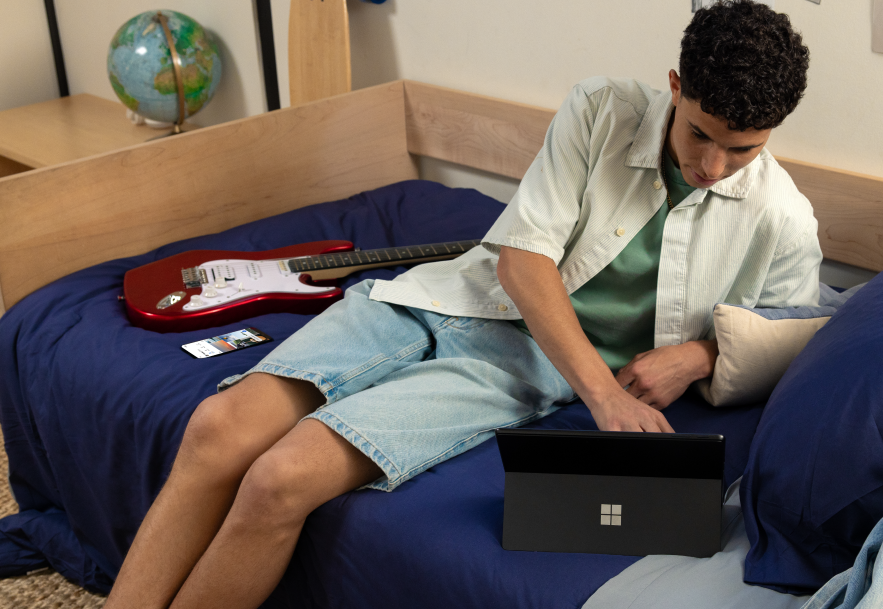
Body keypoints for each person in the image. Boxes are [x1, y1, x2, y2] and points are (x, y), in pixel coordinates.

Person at [104, 2, 820, 607]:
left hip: (519, 364)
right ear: (674, 86)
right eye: (699, 133)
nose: (712, 166)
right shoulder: (602, 109)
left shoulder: (780, 218)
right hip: (447, 293)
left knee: (278, 478)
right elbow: (522, 257)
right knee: (216, 426)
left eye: (742, 149)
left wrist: (696, 355)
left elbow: (791, 333)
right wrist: (604, 395)